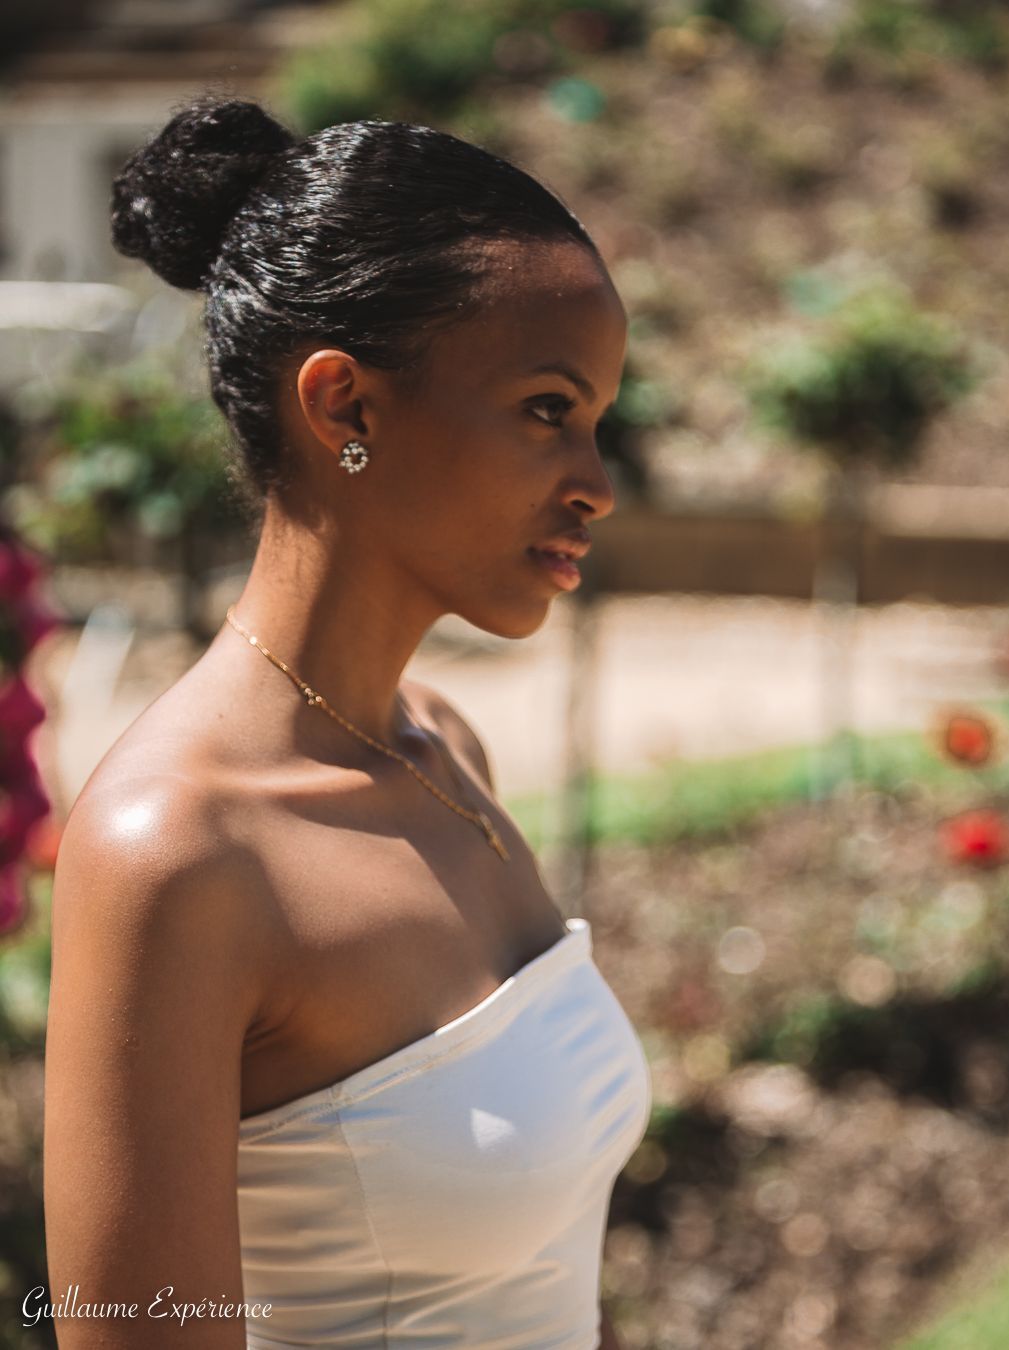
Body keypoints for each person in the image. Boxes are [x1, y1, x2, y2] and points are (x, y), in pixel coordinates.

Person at [42, 95, 651, 1349]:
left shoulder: (441, 751)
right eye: (548, 408)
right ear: (345, 407)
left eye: (596, 421)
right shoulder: (179, 854)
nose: (595, 484)